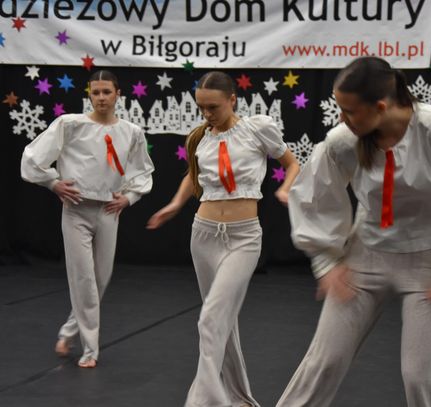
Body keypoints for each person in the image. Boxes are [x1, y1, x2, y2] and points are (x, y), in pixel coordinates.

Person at [277, 56, 431, 406]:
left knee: (419, 378)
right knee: (324, 362)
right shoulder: (343, 140)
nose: (342, 119)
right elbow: (314, 194)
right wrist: (326, 261)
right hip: (364, 258)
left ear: (381, 107)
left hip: (430, 263)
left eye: (349, 111)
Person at [146, 71, 300, 407]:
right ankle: (241, 399)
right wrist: (175, 204)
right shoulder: (200, 138)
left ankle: (201, 400)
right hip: (203, 235)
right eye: (201, 107)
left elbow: (291, 164)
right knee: (222, 322)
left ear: (232, 100)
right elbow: (193, 176)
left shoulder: (257, 129)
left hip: (244, 238)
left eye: (213, 107)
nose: (206, 113)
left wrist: (286, 189)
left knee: (211, 318)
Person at [21, 70, 154, 368]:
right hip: (76, 210)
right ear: (89, 95)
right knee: (83, 278)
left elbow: (142, 171)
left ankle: (69, 331)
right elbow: (32, 157)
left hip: (108, 211)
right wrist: (53, 183)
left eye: (107, 92)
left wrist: (129, 197)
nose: (101, 98)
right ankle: (90, 349)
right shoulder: (70, 124)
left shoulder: (131, 131)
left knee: (101, 278)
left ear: (118, 94)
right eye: (96, 92)